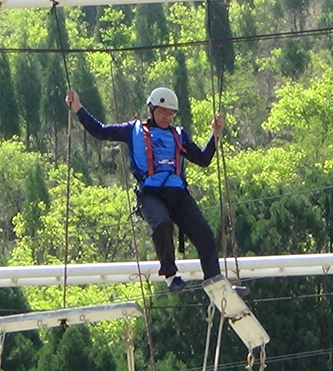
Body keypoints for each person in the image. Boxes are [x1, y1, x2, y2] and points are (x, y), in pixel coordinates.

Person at [65, 87, 224, 292]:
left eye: (170, 114)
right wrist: (77, 107)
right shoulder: (133, 130)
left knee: (204, 234)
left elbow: (202, 159)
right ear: (151, 110)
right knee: (162, 224)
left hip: (178, 195)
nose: (166, 117)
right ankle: (171, 276)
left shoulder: (179, 135)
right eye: (162, 112)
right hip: (150, 194)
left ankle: (216, 282)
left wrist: (215, 133)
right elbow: (100, 131)